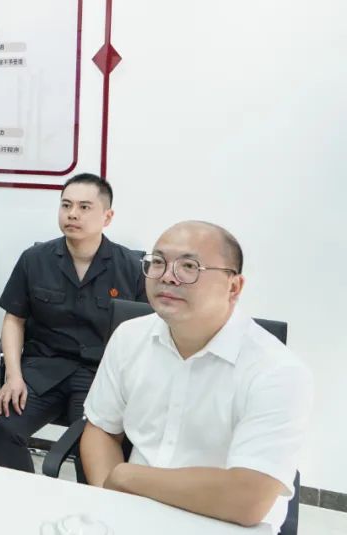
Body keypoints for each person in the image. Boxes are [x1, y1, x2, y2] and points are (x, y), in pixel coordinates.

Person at [81, 221, 312, 530]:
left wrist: (127, 476)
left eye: (189, 266)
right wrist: (111, 506)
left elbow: (248, 498)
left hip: (224, 523)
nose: (167, 276)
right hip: (132, 510)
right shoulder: (129, 337)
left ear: (234, 287)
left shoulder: (278, 371)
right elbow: (101, 429)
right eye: (158, 262)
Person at [0, 173, 145, 472]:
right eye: (66, 205)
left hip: (99, 377)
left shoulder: (130, 267)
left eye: (84, 207)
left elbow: (142, 336)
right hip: (42, 371)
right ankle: (27, 490)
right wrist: (13, 376)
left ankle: (90, 501)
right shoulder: (34, 259)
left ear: (107, 217)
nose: (72, 214)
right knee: (0, 427)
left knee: (94, 449)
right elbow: (13, 320)